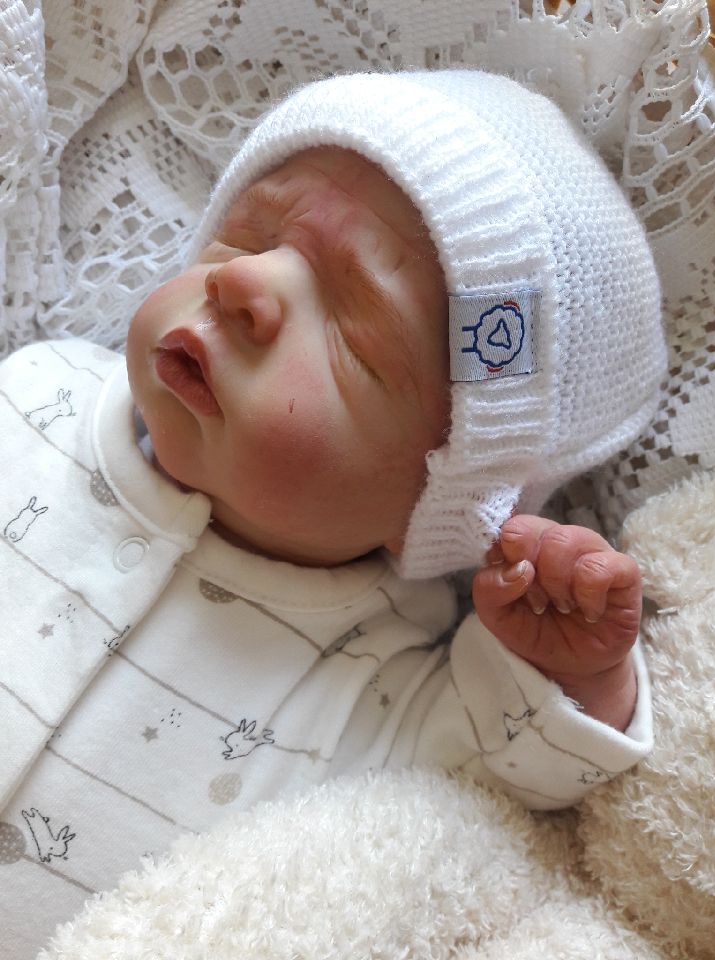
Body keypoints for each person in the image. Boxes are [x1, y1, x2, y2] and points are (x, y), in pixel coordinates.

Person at [0, 70, 665, 957]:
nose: (243, 282)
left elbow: (526, 790)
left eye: (353, 324)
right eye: (247, 234)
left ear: (443, 496)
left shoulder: (391, 682)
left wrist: (579, 675)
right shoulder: (34, 393)